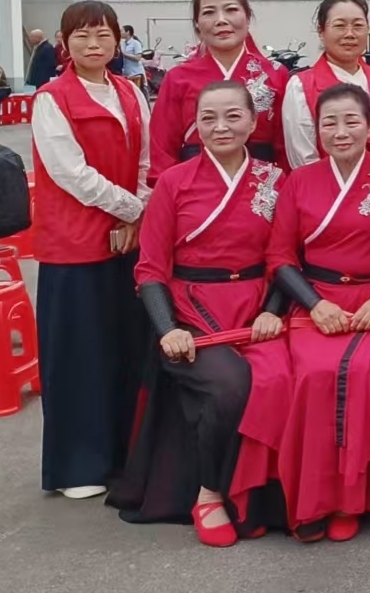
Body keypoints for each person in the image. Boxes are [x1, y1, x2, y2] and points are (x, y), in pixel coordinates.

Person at [110, 82, 291, 546]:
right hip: (191, 310)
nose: (221, 126)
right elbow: (150, 269)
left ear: (253, 121)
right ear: (195, 125)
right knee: (231, 384)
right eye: (208, 117)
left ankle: (264, 500)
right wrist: (167, 329)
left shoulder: (275, 180)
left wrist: (273, 310)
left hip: (256, 307)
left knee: (280, 378)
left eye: (233, 115)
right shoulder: (174, 182)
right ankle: (210, 493)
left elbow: (283, 258)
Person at [269, 83, 370, 542]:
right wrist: (315, 304)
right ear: (317, 131)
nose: (341, 131)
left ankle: (353, 499)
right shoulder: (298, 181)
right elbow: (280, 257)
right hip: (317, 301)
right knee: (315, 375)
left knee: (360, 371)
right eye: (329, 123)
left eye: (352, 121)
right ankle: (313, 499)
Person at [30, 0, 151, 498]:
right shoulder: (51, 98)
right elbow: (70, 173)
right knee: (78, 355)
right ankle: (76, 465)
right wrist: (131, 208)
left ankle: (120, 453)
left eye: (102, 34)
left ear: (117, 41)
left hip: (126, 242)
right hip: (74, 245)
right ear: (64, 43)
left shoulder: (130, 92)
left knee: (123, 349)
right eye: (81, 35)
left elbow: (145, 160)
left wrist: (139, 208)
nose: (93, 44)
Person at [149, 0, 290, 185]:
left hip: (261, 187)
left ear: (247, 16)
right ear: (197, 23)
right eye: (209, 12)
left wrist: (285, 189)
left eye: (231, 10)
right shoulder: (178, 77)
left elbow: (285, 145)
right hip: (193, 187)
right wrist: (167, 190)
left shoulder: (275, 74)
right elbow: (162, 147)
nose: (221, 20)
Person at [282, 0, 370, 175]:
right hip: (330, 190)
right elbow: (304, 160)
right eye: (340, 26)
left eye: (358, 26)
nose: (350, 34)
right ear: (321, 31)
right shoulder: (301, 86)